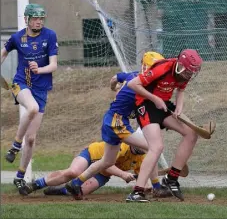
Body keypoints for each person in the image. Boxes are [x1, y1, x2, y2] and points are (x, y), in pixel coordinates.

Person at [63, 52, 167, 202]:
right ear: (146, 68)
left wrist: (114, 88)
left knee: (107, 161)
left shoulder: (133, 75)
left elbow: (115, 78)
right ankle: (157, 187)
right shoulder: (144, 85)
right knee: (152, 147)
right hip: (116, 122)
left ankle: (76, 183)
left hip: (110, 120)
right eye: (156, 69)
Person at [126, 49, 202, 201]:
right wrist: (154, 98)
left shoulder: (184, 73)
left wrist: (179, 107)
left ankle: (171, 180)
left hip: (163, 106)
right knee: (157, 147)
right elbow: (133, 84)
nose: (189, 75)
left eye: (191, 73)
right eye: (188, 72)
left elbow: (180, 90)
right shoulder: (162, 68)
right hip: (146, 105)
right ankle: (137, 192)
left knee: (191, 134)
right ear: (180, 65)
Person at [1, 3, 58, 194]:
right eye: (35, 18)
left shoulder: (50, 35)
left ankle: (19, 176)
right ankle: (15, 146)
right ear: (27, 19)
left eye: (41, 18)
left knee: (32, 139)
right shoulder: (18, 37)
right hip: (21, 84)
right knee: (31, 108)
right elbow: (4, 51)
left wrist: (39, 69)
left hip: (42, 88)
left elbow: (53, 65)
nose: (38, 22)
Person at [21, 140, 171, 199]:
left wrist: (146, 188)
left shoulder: (142, 158)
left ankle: (60, 190)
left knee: (79, 194)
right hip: (92, 155)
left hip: (104, 173)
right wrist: (123, 174)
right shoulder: (123, 146)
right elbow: (107, 163)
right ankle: (36, 184)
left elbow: (141, 178)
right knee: (73, 172)